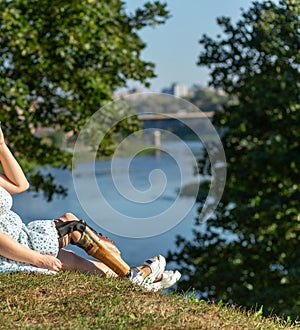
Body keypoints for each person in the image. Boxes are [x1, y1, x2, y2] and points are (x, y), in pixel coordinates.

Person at [0, 124, 181, 291]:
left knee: (83, 263)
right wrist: (37, 259)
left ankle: (140, 280)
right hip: (8, 250)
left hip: (19, 237)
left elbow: (19, 185)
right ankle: (136, 276)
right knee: (72, 226)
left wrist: (1, 145)